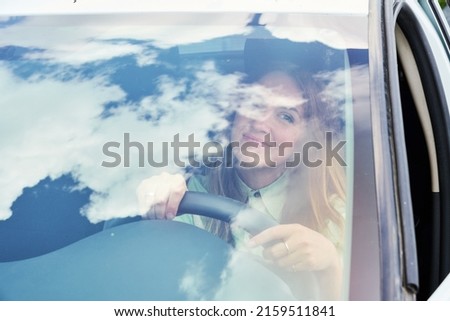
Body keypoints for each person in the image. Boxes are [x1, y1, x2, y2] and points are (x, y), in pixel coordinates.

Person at [136, 68, 346, 300]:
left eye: (286, 116)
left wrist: (330, 269)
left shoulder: (331, 212)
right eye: (255, 104)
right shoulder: (192, 194)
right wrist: (158, 202)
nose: (260, 124)